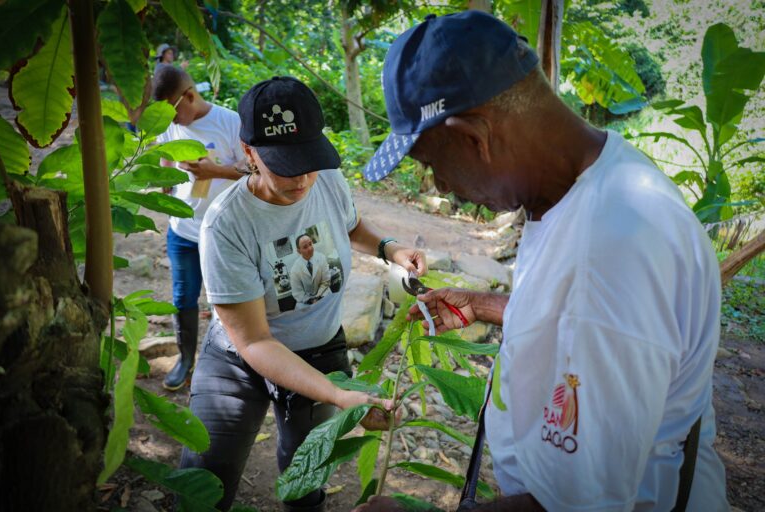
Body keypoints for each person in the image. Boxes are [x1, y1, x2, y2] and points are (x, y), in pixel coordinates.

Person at [354, 11, 728, 512]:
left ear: (474, 137)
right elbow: (579, 324)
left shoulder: (613, 250)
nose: (442, 187)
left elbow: (576, 506)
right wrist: (486, 304)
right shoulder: (592, 181)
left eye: (431, 165)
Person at [180, 75, 426, 511]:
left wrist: (391, 249)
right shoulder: (227, 224)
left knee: (306, 475)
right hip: (238, 361)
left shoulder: (326, 179)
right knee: (203, 482)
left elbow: (349, 226)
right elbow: (254, 340)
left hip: (319, 348)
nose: (302, 179)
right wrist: (337, 394)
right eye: (284, 166)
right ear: (249, 152)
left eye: (309, 161)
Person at [153, 66, 247, 391]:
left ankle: (226, 365)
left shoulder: (230, 121)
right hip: (182, 229)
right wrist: (168, 177)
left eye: (174, 112)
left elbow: (253, 171)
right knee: (183, 298)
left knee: (224, 299)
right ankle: (186, 359)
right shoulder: (169, 122)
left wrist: (215, 170)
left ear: (190, 96)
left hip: (222, 232)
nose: (172, 120)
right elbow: (164, 155)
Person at [290, 233, 332, 306]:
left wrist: (318, 297)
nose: (310, 248)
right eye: (305, 247)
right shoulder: (294, 269)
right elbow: (297, 292)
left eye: (310, 244)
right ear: (299, 251)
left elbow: (326, 281)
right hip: (307, 300)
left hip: (324, 294)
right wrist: (310, 300)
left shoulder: (321, 258)